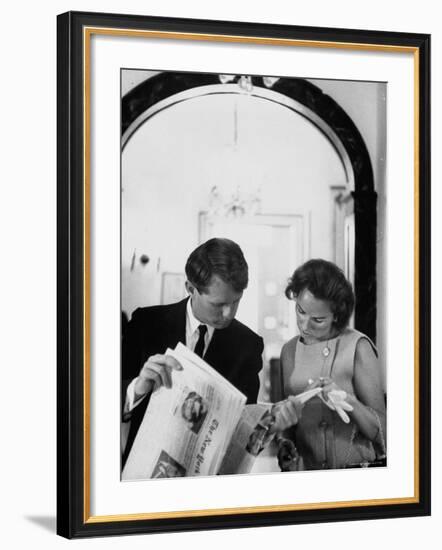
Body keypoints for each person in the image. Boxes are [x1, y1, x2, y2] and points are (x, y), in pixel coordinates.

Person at [121, 238, 264, 464]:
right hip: (141, 472)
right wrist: (136, 391)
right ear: (190, 288)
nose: (228, 314)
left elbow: (244, 428)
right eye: (218, 304)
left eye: (235, 302)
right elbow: (100, 401)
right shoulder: (145, 323)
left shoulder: (248, 345)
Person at [273, 259, 386, 471]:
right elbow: (287, 425)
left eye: (317, 320)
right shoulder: (289, 351)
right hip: (307, 478)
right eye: (300, 311)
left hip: (356, 475)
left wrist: (348, 401)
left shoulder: (358, 346)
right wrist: (283, 444)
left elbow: (383, 432)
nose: (304, 325)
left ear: (337, 315)